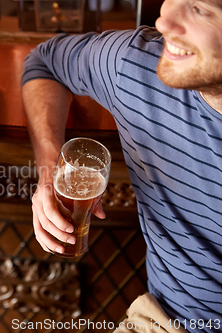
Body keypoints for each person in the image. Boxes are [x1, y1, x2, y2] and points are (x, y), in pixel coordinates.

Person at [22, 0, 222, 332]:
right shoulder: (137, 64)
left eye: (200, 8)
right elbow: (45, 61)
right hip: (164, 323)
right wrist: (49, 174)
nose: (164, 21)